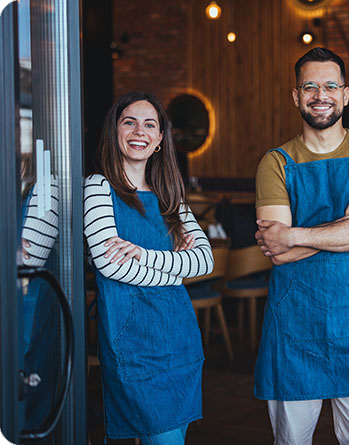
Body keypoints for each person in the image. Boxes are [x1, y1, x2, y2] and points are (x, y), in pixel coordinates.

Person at [254, 47, 349, 444]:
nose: (321, 94)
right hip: (293, 327)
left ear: (346, 95)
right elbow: (275, 251)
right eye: (310, 86)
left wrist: (296, 234)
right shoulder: (275, 162)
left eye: (331, 85)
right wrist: (344, 226)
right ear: (296, 96)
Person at [83, 91, 213, 444]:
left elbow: (204, 260)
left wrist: (143, 254)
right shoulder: (98, 188)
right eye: (130, 122)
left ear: (158, 140)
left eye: (149, 124)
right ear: (115, 131)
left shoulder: (170, 196)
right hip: (135, 344)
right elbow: (113, 267)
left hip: (180, 337)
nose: (139, 131)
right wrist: (176, 270)